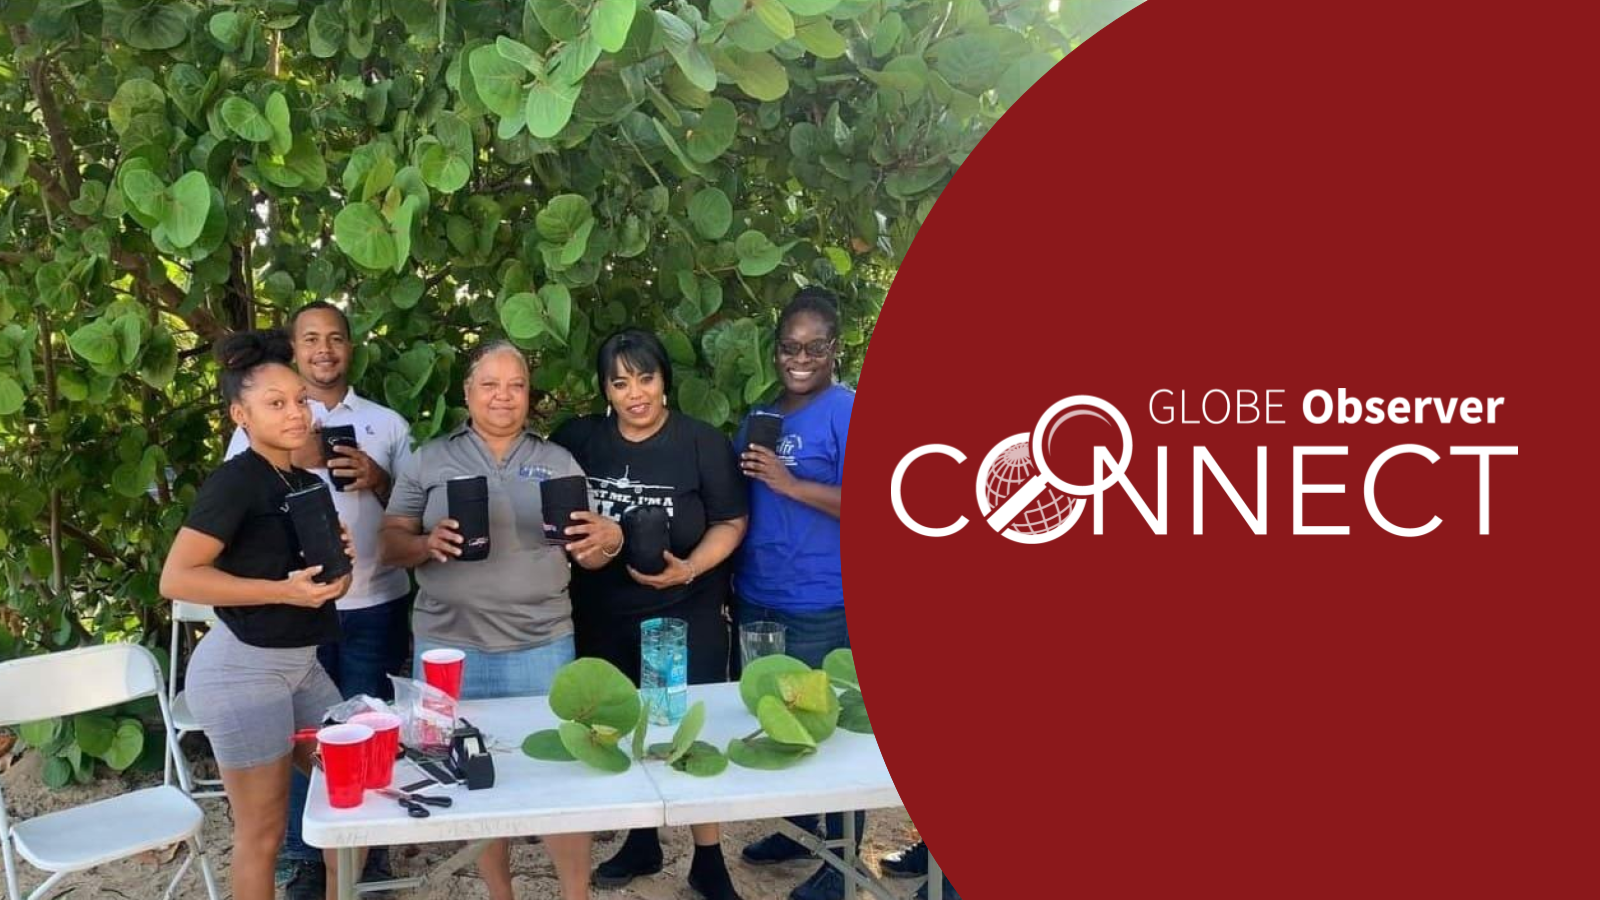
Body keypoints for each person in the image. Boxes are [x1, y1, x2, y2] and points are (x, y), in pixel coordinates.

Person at [380, 340, 619, 900]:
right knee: (476, 779)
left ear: (528, 395)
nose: (503, 396)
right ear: (467, 394)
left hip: (543, 643)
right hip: (448, 649)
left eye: (515, 385)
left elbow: (589, 552)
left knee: (563, 780)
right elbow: (389, 543)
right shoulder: (429, 458)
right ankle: (500, 895)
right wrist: (424, 542)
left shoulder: (558, 460)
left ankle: (575, 895)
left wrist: (609, 540)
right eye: (490, 385)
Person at [550, 330, 750, 900]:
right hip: (604, 617)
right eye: (620, 382)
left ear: (665, 381)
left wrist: (688, 569)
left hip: (684, 616)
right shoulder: (580, 440)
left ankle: (708, 859)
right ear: (604, 390)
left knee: (688, 735)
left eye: (646, 378)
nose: (635, 393)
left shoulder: (701, 443)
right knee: (623, 730)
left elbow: (731, 521)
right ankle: (642, 839)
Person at [223, 302, 413, 899]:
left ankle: (369, 854)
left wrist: (377, 477)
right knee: (307, 739)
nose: (323, 350)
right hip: (298, 614)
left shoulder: (388, 424)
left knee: (368, 729)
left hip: (376, 603)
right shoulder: (261, 423)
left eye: (335, 338)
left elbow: (416, 518)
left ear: (351, 347)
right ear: (294, 349)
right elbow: (236, 513)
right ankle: (310, 854)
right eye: (310, 340)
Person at [159, 330, 354, 900]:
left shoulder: (299, 479)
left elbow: (315, 578)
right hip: (242, 673)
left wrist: (337, 571)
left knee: (352, 793)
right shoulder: (235, 481)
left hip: (298, 665)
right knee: (262, 834)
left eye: (299, 399)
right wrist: (280, 591)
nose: (296, 412)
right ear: (241, 415)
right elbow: (177, 578)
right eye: (276, 403)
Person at [733, 288, 860, 900]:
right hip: (758, 597)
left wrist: (790, 483)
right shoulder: (762, 415)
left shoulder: (846, 409)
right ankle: (798, 829)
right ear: (776, 348)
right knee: (776, 720)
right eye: (789, 346)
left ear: (836, 349)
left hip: (822, 602)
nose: (800, 357)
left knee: (827, 734)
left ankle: (842, 866)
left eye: (814, 347)